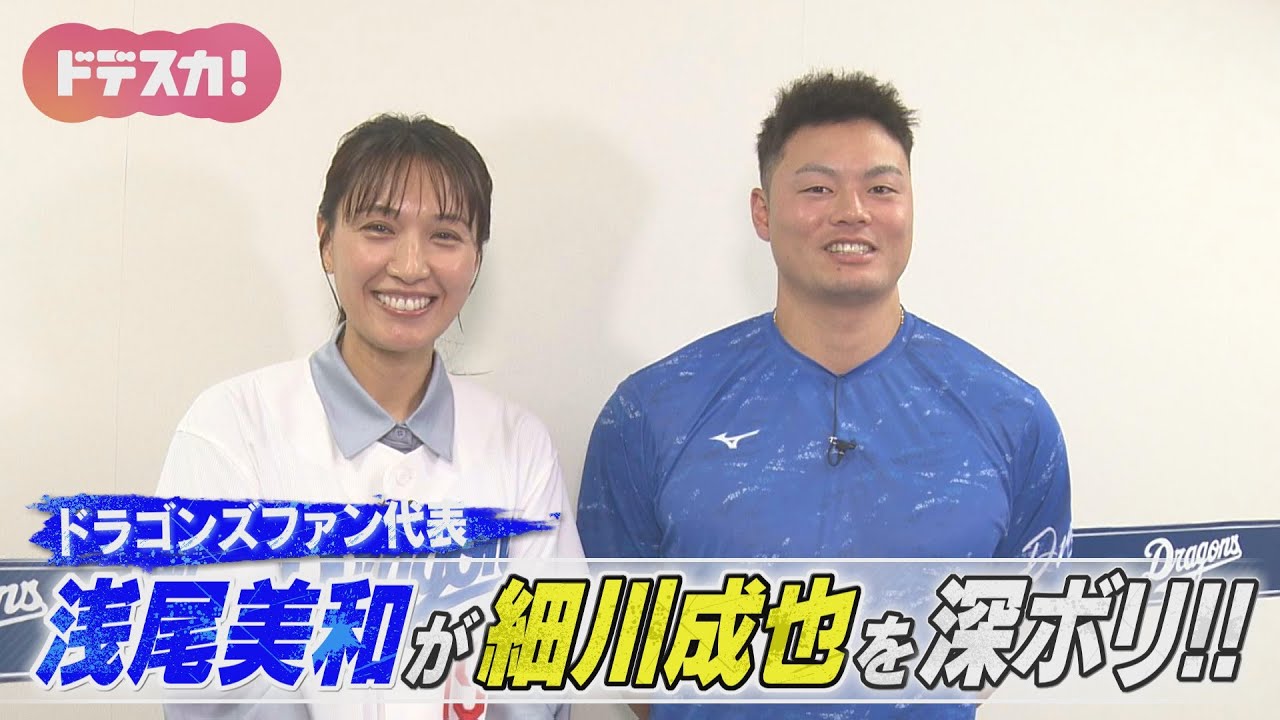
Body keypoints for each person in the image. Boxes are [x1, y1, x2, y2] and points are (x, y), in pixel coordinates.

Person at [577, 71, 1071, 718]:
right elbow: (624, 653)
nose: (852, 211)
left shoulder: (1010, 418)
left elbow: (1005, 637)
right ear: (762, 212)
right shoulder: (653, 412)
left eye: (881, 188)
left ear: (911, 206)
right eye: (817, 188)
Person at [156, 113, 582, 719]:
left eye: (445, 235)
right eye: (379, 228)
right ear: (327, 241)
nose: (410, 266)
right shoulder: (231, 428)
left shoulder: (520, 445)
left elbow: (545, 678)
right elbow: (210, 685)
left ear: (476, 259)